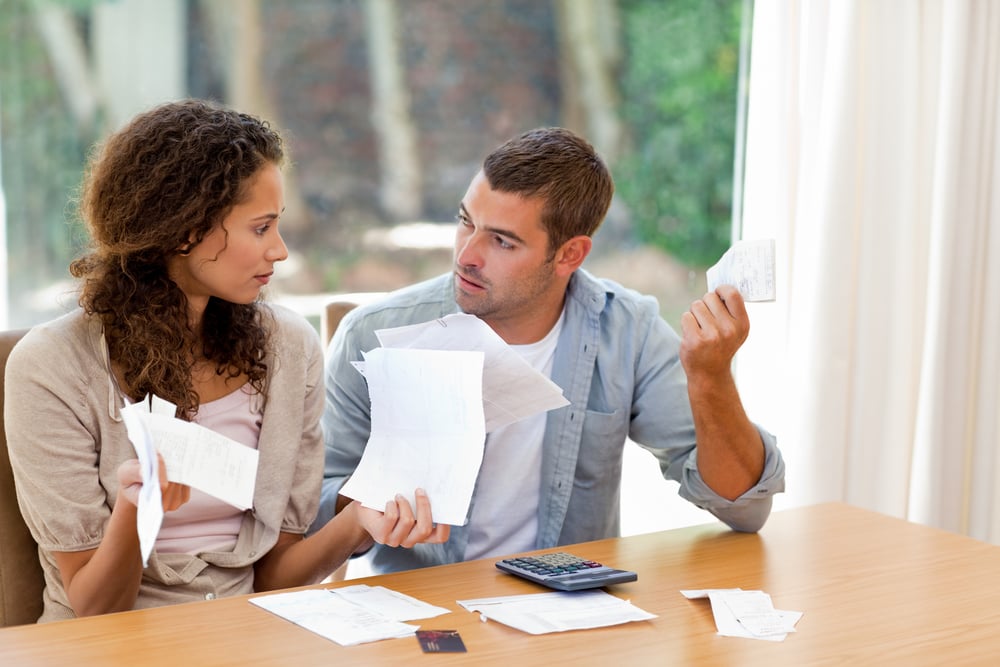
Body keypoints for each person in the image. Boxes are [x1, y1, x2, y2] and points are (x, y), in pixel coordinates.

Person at [4, 99, 446, 622]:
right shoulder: (52, 367)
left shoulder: (287, 349)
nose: (279, 251)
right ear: (185, 230)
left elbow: (275, 578)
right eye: (260, 229)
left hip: (246, 636)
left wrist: (357, 524)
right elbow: (95, 607)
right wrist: (134, 511)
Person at [311, 126, 786, 574]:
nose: (466, 255)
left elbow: (744, 506)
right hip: (425, 620)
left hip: (565, 614)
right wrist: (364, 509)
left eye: (502, 241)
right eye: (465, 222)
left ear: (570, 255)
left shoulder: (627, 333)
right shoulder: (372, 334)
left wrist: (711, 376)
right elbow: (310, 511)